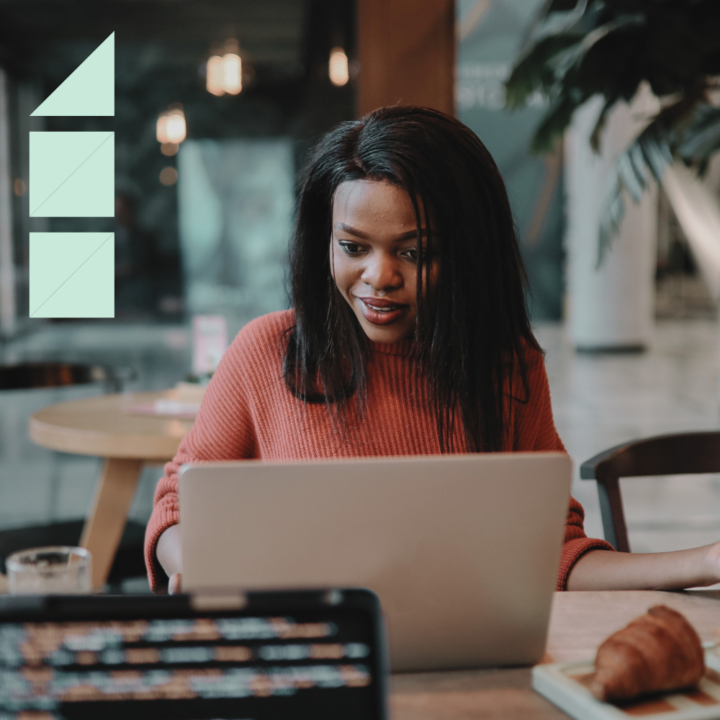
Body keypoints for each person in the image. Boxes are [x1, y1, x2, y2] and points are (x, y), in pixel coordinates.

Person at [145, 106, 720, 595]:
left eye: (415, 253)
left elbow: (553, 553)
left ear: (467, 254)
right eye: (353, 247)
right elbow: (177, 505)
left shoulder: (506, 364)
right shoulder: (270, 351)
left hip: (463, 657)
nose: (379, 277)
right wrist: (190, 564)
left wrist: (704, 562)